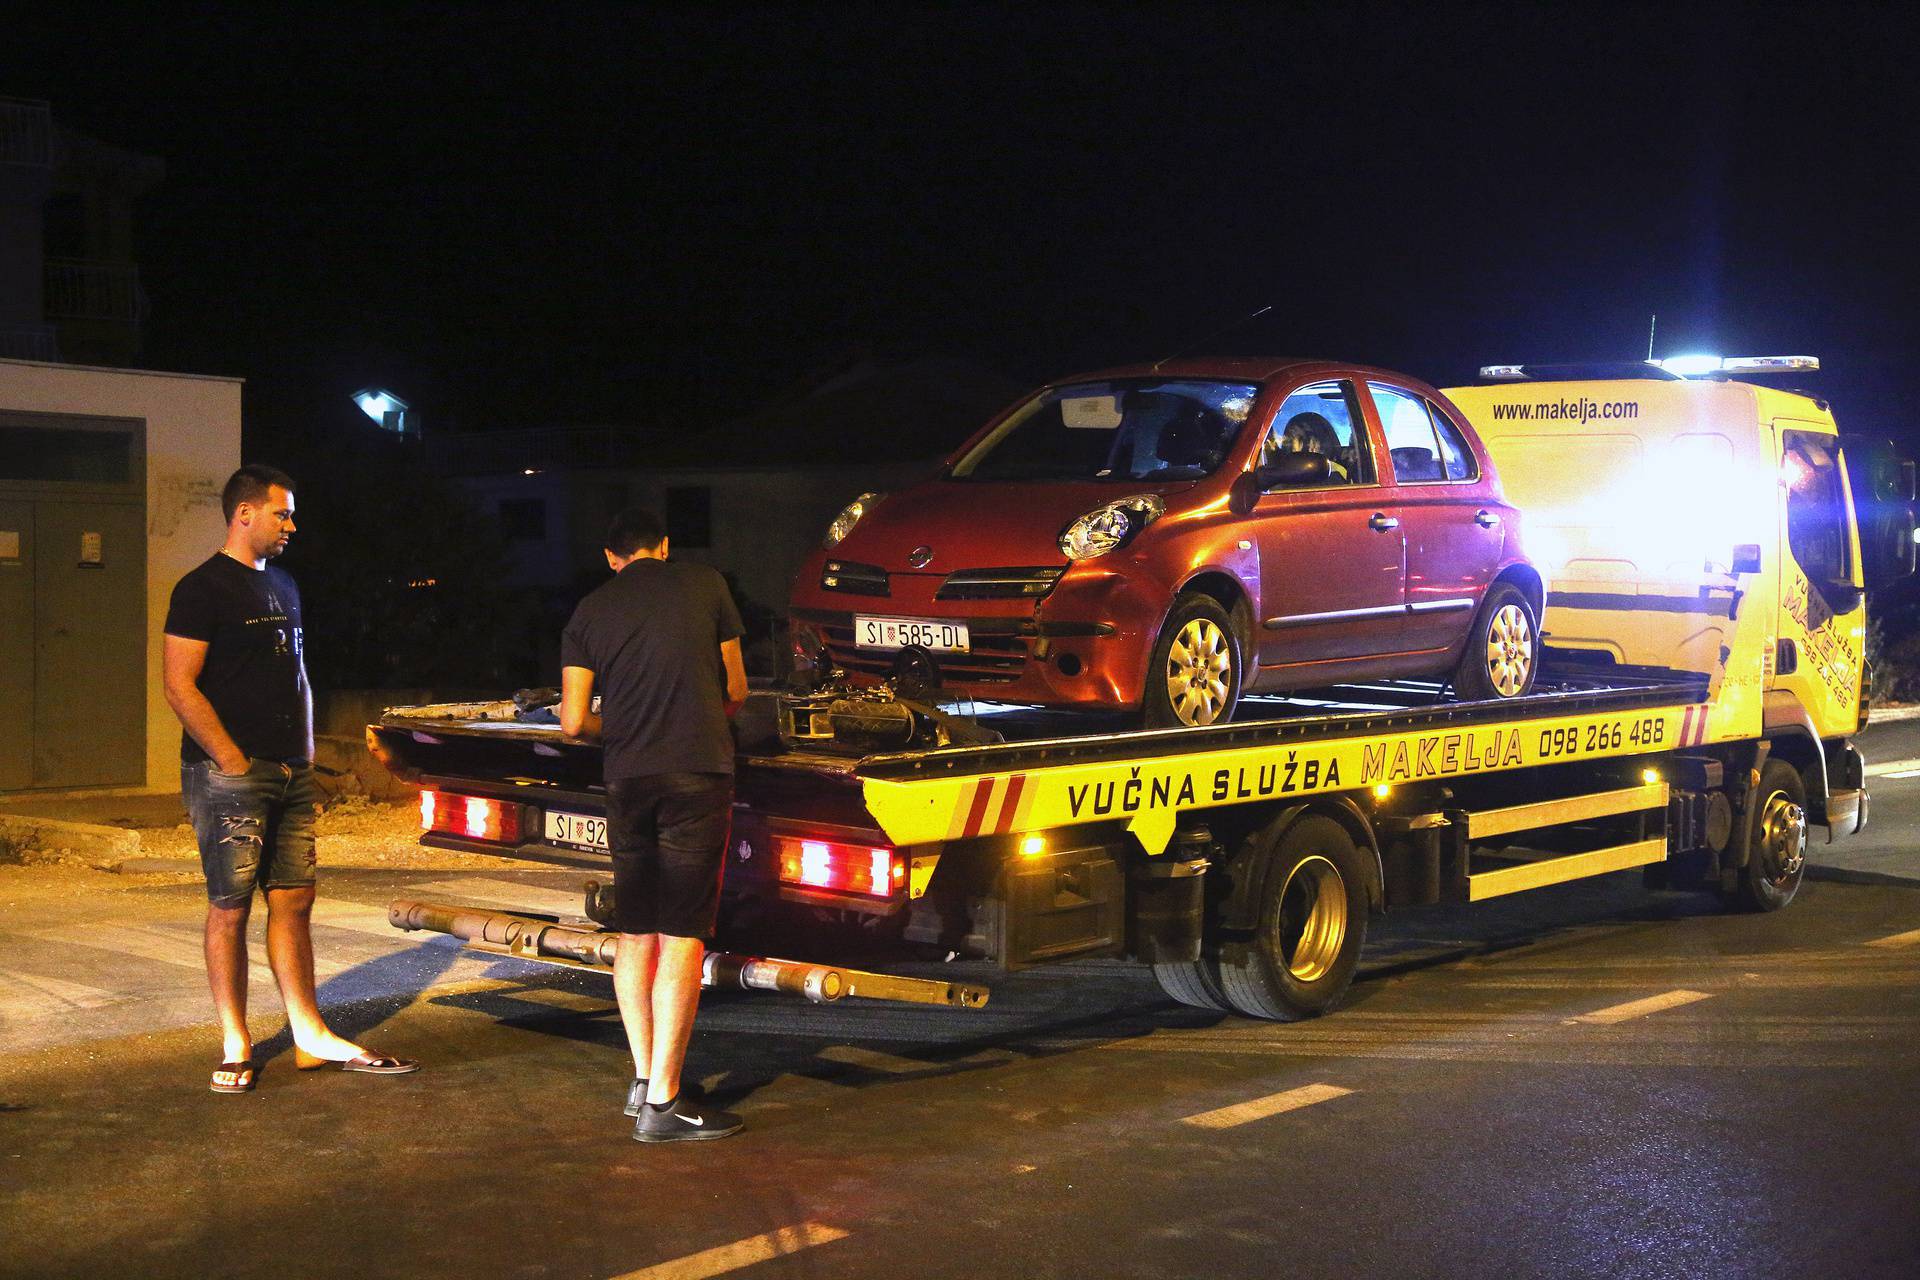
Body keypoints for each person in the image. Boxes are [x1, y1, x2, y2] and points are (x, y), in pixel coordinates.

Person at [163, 464, 419, 1094]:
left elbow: (297, 674)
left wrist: (303, 758)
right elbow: (179, 683)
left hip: (290, 771)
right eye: (282, 513)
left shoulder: (283, 584)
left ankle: (308, 1033)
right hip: (230, 774)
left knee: (294, 900)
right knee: (229, 909)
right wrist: (230, 758)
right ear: (243, 514)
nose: (291, 525)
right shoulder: (200, 588)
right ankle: (235, 1040)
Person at [559, 507, 749, 1142]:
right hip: (697, 774)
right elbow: (738, 686)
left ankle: (644, 1080)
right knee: (683, 934)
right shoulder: (706, 584)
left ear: (611, 558)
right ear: (663, 548)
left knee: (636, 930)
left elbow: (573, 722)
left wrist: (632, 725)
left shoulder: (589, 610)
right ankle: (666, 1104)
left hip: (627, 779)